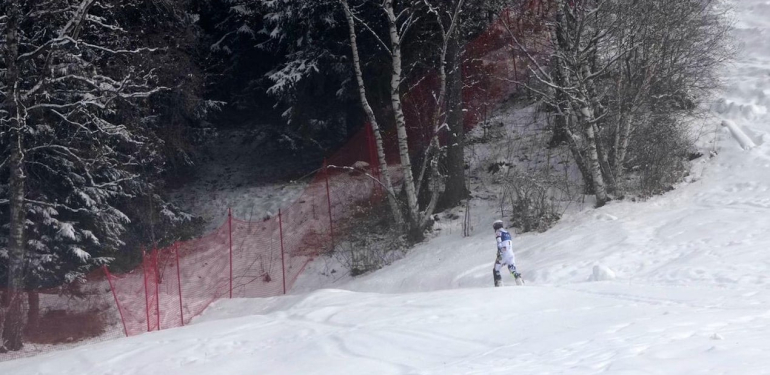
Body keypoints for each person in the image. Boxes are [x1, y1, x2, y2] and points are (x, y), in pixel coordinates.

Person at [492, 220, 522, 287]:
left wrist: (499, 253)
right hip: (511, 254)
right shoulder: (507, 233)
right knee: (512, 269)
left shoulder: (498, 232)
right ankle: (518, 279)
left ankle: (499, 283)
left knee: (496, 269)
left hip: (503, 253)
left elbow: (499, 242)